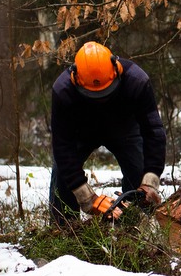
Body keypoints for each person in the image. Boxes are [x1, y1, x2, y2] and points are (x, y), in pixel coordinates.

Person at [49, 41, 167, 224]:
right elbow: (62, 146)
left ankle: (134, 225)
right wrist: (85, 196)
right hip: (81, 131)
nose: (100, 99)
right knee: (62, 176)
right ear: (75, 79)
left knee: (140, 170)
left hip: (124, 127)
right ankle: (63, 229)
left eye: (106, 92)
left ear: (116, 70)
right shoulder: (63, 91)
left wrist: (151, 179)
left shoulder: (136, 81)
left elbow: (153, 131)